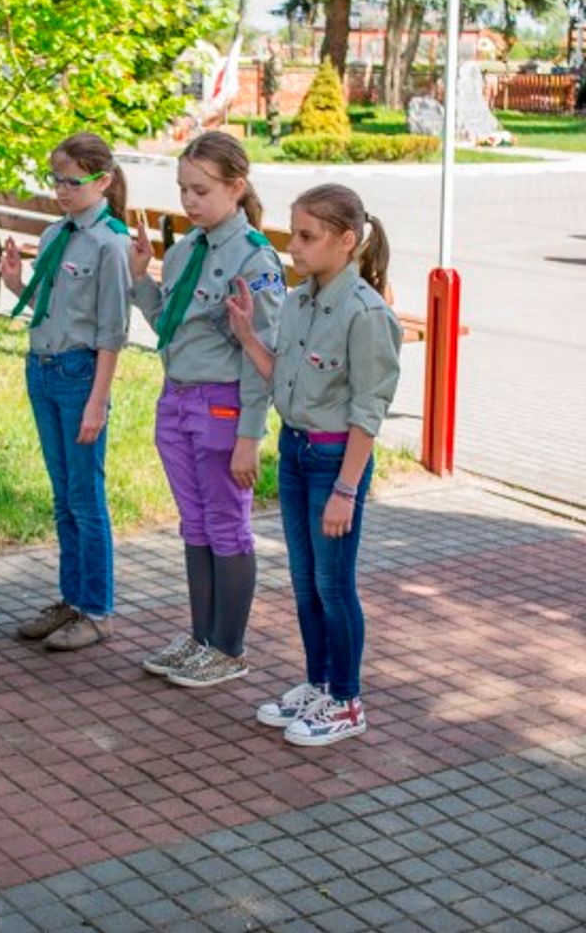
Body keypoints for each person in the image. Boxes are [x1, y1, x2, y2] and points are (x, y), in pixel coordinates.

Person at [226, 184, 401, 746]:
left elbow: (368, 411)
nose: (293, 247)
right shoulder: (299, 301)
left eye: (307, 236)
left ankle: (346, 701)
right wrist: (247, 335)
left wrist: (347, 489)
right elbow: (282, 375)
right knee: (305, 582)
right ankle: (318, 683)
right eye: (293, 234)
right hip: (296, 453)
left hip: (333, 462)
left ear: (346, 240)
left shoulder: (366, 314)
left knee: (333, 584)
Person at [129, 132, 284, 688]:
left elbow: (260, 353)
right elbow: (169, 326)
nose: (189, 201)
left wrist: (249, 436)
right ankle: (201, 639)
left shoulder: (254, 258)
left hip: (222, 404)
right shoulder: (186, 249)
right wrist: (140, 277)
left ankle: (228, 648)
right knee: (194, 523)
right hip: (177, 398)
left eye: (201, 190)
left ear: (236, 188)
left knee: (226, 524)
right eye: (183, 189)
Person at [1, 133, 132, 651]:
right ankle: (72, 599)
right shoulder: (58, 232)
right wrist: (17, 284)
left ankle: (97, 611)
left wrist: (98, 400)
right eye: (55, 180)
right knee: (63, 497)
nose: (61, 190)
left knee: (86, 497)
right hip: (43, 368)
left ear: (103, 181)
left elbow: (112, 332)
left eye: (72, 182)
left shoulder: (110, 243)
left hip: (80, 375)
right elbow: (51, 309)